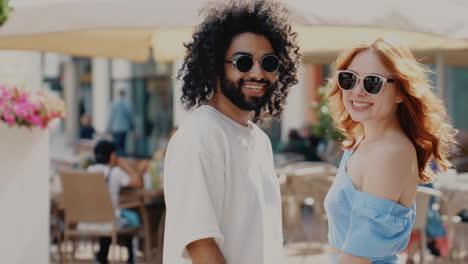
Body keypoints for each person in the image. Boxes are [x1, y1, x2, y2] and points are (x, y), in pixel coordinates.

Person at [162, 1, 301, 263]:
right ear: (216, 66)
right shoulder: (200, 134)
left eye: (269, 62)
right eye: (243, 62)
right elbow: (201, 246)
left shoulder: (259, 140)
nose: (258, 73)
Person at [323, 38, 457, 264]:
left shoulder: (390, 152)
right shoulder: (363, 143)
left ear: (401, 92)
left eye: (372, 82)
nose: (357, 91)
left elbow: (359, 255)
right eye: (349, 78)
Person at [88, 140, 143, 264]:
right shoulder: (115, 172)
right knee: (133, 220)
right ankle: (131, 259)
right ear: (112, 156)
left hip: (91, 219)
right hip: (110, 220)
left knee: (110, 218)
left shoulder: (89, 171)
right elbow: (137, 182)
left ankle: (102, 255)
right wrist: (125, 166)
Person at [107, 90, 134, 157]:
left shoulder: (114, 103)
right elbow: (130, 117)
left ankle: (118, 159)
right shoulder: (128, 104)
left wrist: (108, 127)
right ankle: (121, 158)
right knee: (122, 145)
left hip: (115, 128)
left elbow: (111, 117)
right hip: (124, 128)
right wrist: (132, 127)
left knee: (116, 145)